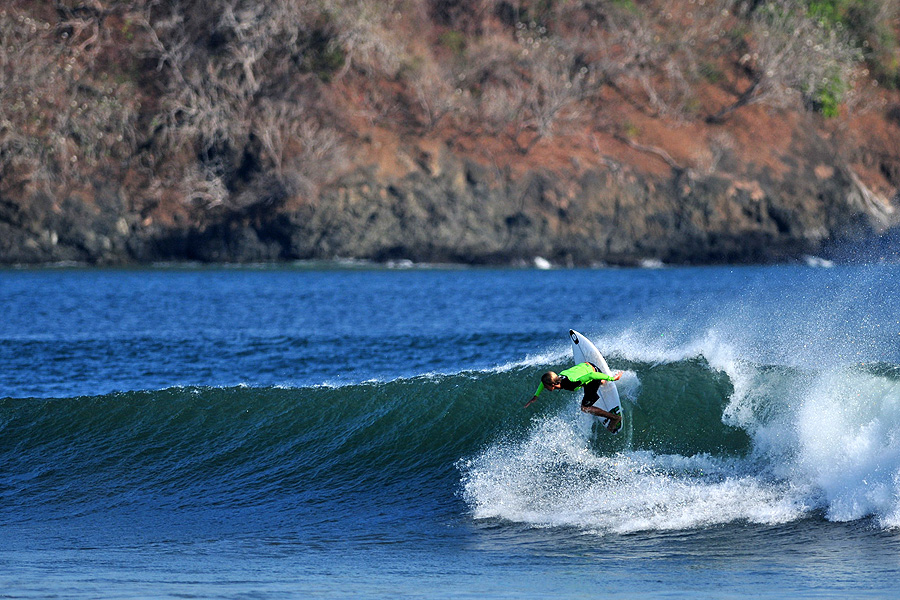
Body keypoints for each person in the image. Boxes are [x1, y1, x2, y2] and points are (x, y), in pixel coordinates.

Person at [524, 362, 622, 432]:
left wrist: (612, 378)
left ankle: (615, 418)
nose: (544, 387)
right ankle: (602, 382)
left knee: (585, 408)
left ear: (552, 385)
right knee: (583, 382)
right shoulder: (557, 378)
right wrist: (535, 396)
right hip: (586, 365)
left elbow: (591, 375)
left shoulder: (571, 383)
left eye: (546, 386)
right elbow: (543, 382)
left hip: (593, 373)